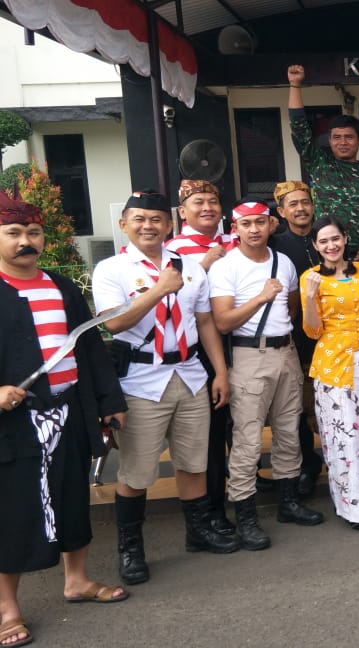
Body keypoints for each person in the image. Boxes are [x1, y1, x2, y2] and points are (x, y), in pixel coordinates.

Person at [1, 189, 129, 648]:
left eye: (32, 232)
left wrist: (109, 401)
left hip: (70, 410)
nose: (25, 241)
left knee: (74, 497)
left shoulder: (62, 286)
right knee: (14, 511)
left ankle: (76, 581)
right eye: (13, 232)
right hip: (16, 423)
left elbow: (90, 347)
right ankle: (7, 608)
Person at [93, 190, 239, 586]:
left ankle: (198, 532)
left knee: (193, 463)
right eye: (138, 219)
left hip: (190, 374)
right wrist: (159, 289)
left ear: (169, 224)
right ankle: (131, 548)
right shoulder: (112, 269)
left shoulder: (191, 268)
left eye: (156, 219)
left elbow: (206, 321)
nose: (148, 226)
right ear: (124, 224)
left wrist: (220, 372)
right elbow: (113, 324)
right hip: (141, 381)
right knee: (137, 472)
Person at [210, 199, 324, 550]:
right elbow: (223, 321)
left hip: (285, 351)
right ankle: (246, 516)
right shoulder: (226, 267)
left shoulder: (283, 262)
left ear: (271, 225)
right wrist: (260, 298)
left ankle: (289, 502)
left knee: (290, 428)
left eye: (260, 222)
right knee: (247, 438)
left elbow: (291, 307)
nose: (254, 230)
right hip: (247, 354)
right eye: (247, 224)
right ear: (236, 228)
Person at [300, 218, 359, 530]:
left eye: (335, 239)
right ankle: (353, 508)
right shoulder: (310, 278)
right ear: (316, 246)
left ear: (345, 239)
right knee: (342, 438)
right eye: (323, 242)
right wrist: (309, 296)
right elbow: (312, 330)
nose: (331, 246)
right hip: (334, 367)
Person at [166, 179, 235, 529]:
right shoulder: (174, 250)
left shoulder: (233, 240)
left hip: (241, 342)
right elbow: (177, 301)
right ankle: (212, 508)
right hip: (204, 349)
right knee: (210, 431)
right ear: (183, 211)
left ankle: (243, 487)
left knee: (241, 425)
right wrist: (205, 264)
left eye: (212, 201)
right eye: (198, 202)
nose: (207, 207)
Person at [287, 64, 359, 252]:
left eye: (348, 137)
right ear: (330, 140)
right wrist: (294, 85)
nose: (343, 142)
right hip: (328, 253)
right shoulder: (320, 164)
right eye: (336, 137)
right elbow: (300, 130)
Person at [270, 180, 324, 496]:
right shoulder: (276, 245)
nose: (301, 208)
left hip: (331, 340)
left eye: (305, 202)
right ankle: (307, 464)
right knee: (297, 410)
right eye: (293, 204)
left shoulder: (325, 237)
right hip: (295, 341)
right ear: (281, 211)